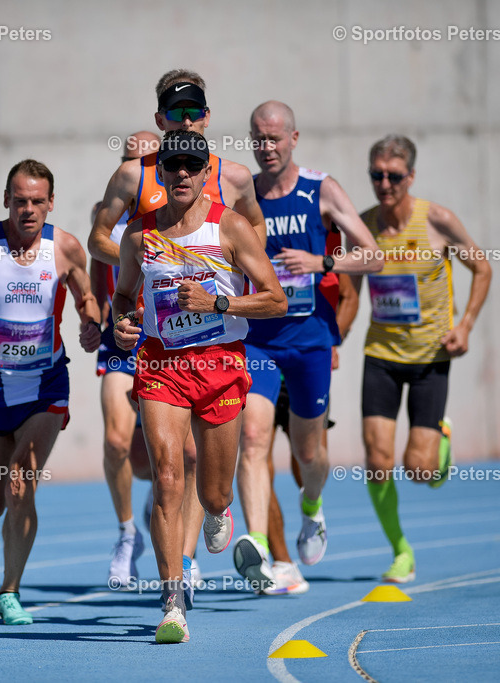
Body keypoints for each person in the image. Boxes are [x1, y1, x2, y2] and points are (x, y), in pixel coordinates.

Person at [89, 69, 265, 604]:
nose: (187, 121)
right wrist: (138, 264)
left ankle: (212, 511)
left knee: (209, 480)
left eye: (196, 112)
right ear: (159, 119)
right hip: (153, 341)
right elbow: (101, 233)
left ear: (207, 118)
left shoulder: (232, 178)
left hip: (216, 340)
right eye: (176, 112)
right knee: (155, 461)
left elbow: (254, 230)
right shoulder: (133, 176)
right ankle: (172, 585)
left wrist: (221, 271)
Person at [113, 130, 286, 643]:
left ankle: (218, 510)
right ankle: (172, 602)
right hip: (161, 366)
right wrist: (122, 323)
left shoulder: (229, 227)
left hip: (219, 366)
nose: (183, 173)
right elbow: (123, 297)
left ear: (205, 169)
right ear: (161, 174)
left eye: (192, 164)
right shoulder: (138, 236)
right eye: (173, 166)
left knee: (213, 492)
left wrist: (219, 305)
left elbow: (275, 299)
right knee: (167, 475)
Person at [0, 159, 102, 625]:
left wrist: (92, 323)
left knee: (19, 483)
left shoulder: (65, 248)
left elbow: (88, 296)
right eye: (20, 200)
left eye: (38, 202)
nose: (29, 210)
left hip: (46, 384)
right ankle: (6, 544)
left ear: (51, 203)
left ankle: (10, 591)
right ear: (6, 200)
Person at [234, 101, 381, 593]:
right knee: (252, 439)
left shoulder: (320, 188)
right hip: (258, 339)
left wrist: (323, 263)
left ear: (294, 138)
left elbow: (374, 257)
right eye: (258, 138)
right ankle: (256, 543)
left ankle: (312, 510)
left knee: (310, 452)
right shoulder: (243, 193)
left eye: (275, 138)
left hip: (310, 341)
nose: (266, 147)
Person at [352, 135, 492, 583]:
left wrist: (466, 324)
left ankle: (440, 439)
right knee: (377, 460)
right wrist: (333, 339)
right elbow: (350, 293)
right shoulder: (363, 225)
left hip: (431, 356)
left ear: (411, 176)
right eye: (377, 175)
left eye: (394, 176)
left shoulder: (438, 220)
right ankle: (401, 551)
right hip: (380, 356)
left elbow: (483, 267)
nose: (385, 184)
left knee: (421, 471)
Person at [259, 231, 359, 595]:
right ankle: (282, 561)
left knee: (310, 458)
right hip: (264, 354)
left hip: (308, 358)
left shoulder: (326, 240)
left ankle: (311, 507)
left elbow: (349, 296)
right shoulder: (253, 229)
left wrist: (336, 339)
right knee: (257, 457)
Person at [89, 130, 161, 587]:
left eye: (147, 157)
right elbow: (98, 266)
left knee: (153, 456)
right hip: (121, 336)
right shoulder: (107, 214)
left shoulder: (180, 209)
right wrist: (93, 314)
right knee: (118, 443)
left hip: (169, 339)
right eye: (128, 156)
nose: (136, 164)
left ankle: (161, 502)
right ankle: (127, 533)